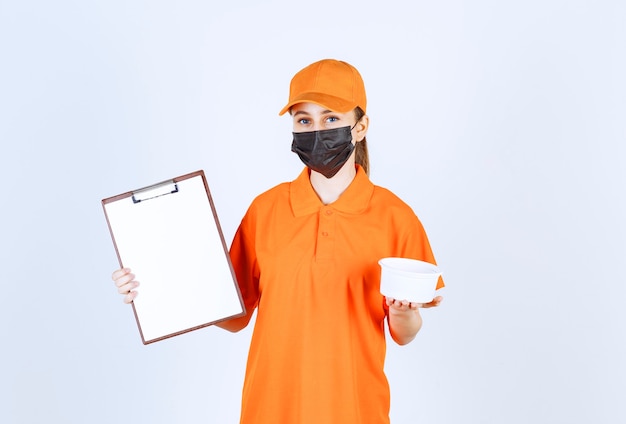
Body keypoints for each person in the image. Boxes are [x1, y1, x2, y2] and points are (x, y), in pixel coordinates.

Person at [112, 58, 444, 424]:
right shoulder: (265, 210)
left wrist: (402, 312)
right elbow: (232, 315)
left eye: (331, 118)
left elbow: (405, 334)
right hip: (269, 410)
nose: (316, 129)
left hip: (355, 409)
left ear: (360, 126)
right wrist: (156, 282)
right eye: (304, 120)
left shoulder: (396, 217)